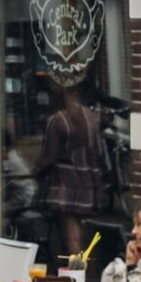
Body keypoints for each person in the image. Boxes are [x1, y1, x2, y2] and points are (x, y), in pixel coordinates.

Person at [34, 80, 101, 260]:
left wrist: (37, 171)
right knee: (79, 232)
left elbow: (49, 158)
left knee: (70, 235)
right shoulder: (90, 117)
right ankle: (83, 268)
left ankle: (77, 271)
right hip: (86, 182)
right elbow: (96, 153)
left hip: (65, 185)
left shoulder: (57, 121)